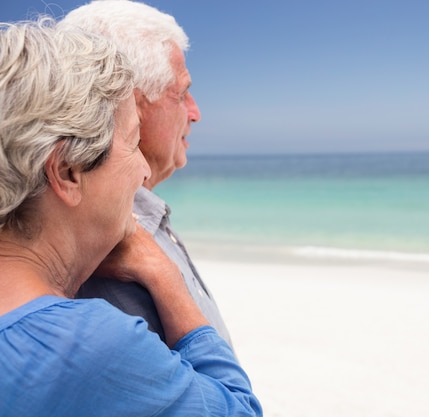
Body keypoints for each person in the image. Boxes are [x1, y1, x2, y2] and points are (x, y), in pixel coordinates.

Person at [0, 18, 261, 416]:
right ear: (68, 170)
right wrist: (162, 273)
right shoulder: (86, 345)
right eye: (131, 142)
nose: (141, 171)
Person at [59, 0, 234, 346]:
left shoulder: (141, 221)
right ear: (130, 103)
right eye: (181, 93)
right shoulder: (105, 238)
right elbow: (215, 401)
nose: (195, 113)